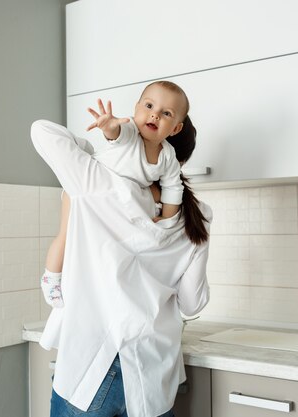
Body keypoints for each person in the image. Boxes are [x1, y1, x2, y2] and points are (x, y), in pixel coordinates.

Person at [30, 106, 212, 416]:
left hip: (94, 363)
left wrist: (94, 147)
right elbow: (192, 304)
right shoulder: (200, 215)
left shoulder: (97, 182)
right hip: (154, 373)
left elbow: (41, 130)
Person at [41, 81, 192, 308]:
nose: (155, 116)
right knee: (66, 235)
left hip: (108, 200)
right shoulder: (131, 131)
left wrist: (167, 219)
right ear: (136, 108)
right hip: (83, 188)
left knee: (89, 241)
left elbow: (173, 187)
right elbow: (116, 134)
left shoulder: (167, 156)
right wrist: (109, 126)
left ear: (175, 129)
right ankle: (51, 279)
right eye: (149, 106)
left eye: (166, 113)